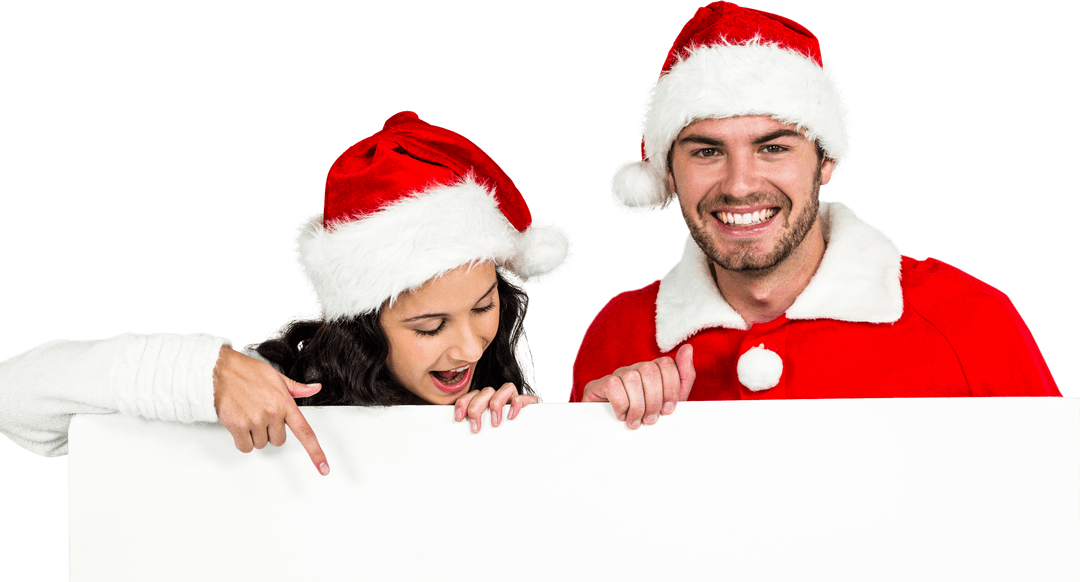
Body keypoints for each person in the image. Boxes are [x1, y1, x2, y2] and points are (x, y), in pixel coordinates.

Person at [569, 1, 1060, 427]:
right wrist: (585, 438)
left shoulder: (969, 322)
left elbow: (1055, 508)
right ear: (668, 172)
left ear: (825, 160)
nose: (740, 185)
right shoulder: (618, 337)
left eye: (774, 147)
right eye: (706, 152)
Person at [0, 110, 575, 473]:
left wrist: (527, 450)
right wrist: (208, 375)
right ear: (364, 329)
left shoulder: (499, 395)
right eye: (430, 327)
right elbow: (13, 396)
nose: (471, 348)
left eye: (484, 308)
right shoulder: (276, 390)